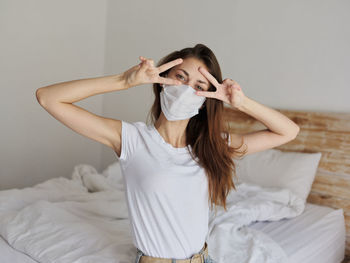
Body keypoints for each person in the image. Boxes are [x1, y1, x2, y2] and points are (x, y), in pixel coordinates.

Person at [36, 43, 300, 263]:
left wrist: (240, 102)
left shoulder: (211, 145)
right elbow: (48, 98)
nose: (187, 89)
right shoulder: (131, 138)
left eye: (199, 85)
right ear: (163, 81)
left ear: (206, 98)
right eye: (181, 77)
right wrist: (124, 81)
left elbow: (288, 132)